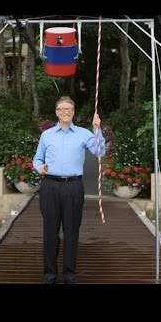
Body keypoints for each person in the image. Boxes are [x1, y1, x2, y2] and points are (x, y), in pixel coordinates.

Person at [33, 96, 106, 284]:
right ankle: (49, 274)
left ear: (73, 112)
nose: (66, 112)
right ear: (57, 112)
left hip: (73, 187)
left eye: (69, 109)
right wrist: (39, 167)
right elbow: (37, 159)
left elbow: (99, 152)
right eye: (62, 109)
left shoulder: (83, 134)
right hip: (50, 186)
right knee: (50, 231)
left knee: (71, 231)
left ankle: (69, 274)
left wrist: (97, 130)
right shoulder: (46, 135)